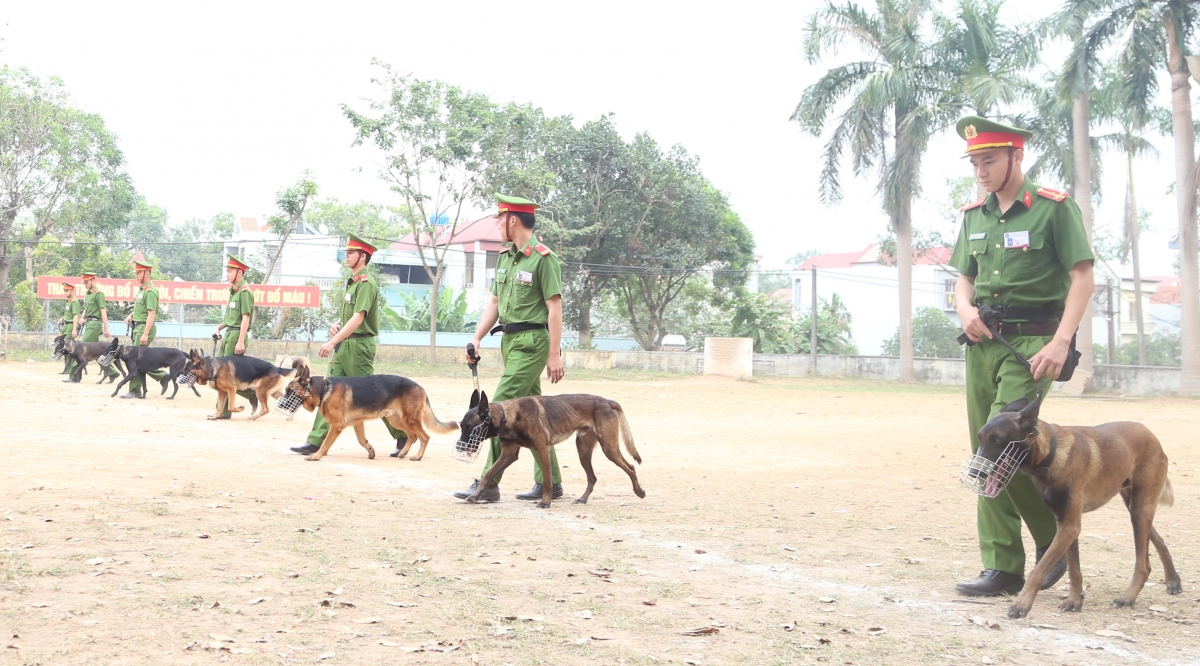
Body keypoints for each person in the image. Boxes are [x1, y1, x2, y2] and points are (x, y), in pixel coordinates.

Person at [949, 116, 1094, 596]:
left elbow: (1082, 277)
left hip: (1032, 347)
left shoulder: (1053, 209)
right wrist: (965, 309)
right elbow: (963, 280)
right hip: (982, 345)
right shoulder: (974, 215)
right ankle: (1003, 566)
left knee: (1001, 445)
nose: (980, 171)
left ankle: (1053, 538)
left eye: (988, 160)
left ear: (1017, 156)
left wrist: (1061, 341)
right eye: (975, 162)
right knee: (983, 451)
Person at [454, 194, 565, 503]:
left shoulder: (544, 258)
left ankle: (488, 483)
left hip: (532, 343)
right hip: (510, 342)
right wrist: (476, 338)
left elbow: (554, 307)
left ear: (512, 219)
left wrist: (554, 354)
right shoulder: (505, 258)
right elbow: (495, 302)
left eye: (499, 219)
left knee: (497, 410)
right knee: (533, 415)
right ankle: (551, 482)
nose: (498, 224)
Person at [290, 234, 408, 456]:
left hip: (358, 348)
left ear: (362, 256)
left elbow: (359, 318)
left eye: (350, 253)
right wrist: (336, 327)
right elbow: (349, 317)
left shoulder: (365, 283)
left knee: (376, 394)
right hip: (344, 346)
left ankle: (402, 436)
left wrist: (332, 340)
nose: (346, 256)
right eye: (346, 253)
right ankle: (315, 441)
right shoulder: (352, 282)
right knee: (325, 391)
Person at [211, 254, 258, 419]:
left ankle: (225, 410)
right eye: (227, 270)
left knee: (224, 374)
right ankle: (250, 395)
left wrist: (240, 341)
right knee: (221, 373)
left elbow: (245, 317)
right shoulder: (234, 291)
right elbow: (231, 317)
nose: (227, 273)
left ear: (239, 273)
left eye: (230, 271)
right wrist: (219, 327)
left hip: (237, 334)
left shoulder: (245, 292)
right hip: (229, 332)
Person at [121, 259, 168, 399]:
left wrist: (145, 333)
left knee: (134, 360)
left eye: (138, 273)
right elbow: (141, 310)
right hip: (138, 327)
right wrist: (131, 315)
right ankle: (162, 377)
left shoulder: (150, 291)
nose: (136, 275)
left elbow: (151, 313)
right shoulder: (142, 289)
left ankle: (135, 390)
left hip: (144, 328)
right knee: (139, 360)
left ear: (146, 273)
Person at [76, 271, 119, 382]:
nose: (85, 284)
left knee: (79, 349)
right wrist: (82, 317)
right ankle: (113, 373)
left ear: (93, 281)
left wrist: (106, 327)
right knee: (97, 352)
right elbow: (86, 308)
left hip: (95, 324)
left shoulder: (99, 294)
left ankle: (73, 375)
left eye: (87, 282)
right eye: (84, 282)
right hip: (89, 323)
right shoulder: (88, 293)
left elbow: (103, 310)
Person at [58, 282, 81, 380]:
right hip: (66, 325)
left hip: (71, 325)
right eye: (64, 290)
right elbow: (69, 313)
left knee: (70, 348)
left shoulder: (74, 301)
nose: (65, 292)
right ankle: (66, 368)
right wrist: (63, 318)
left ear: (72, 291)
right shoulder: (68, 300)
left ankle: (70, 369)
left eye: (67, 290)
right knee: (64, 346)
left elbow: (76, 315)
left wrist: (74, 329)